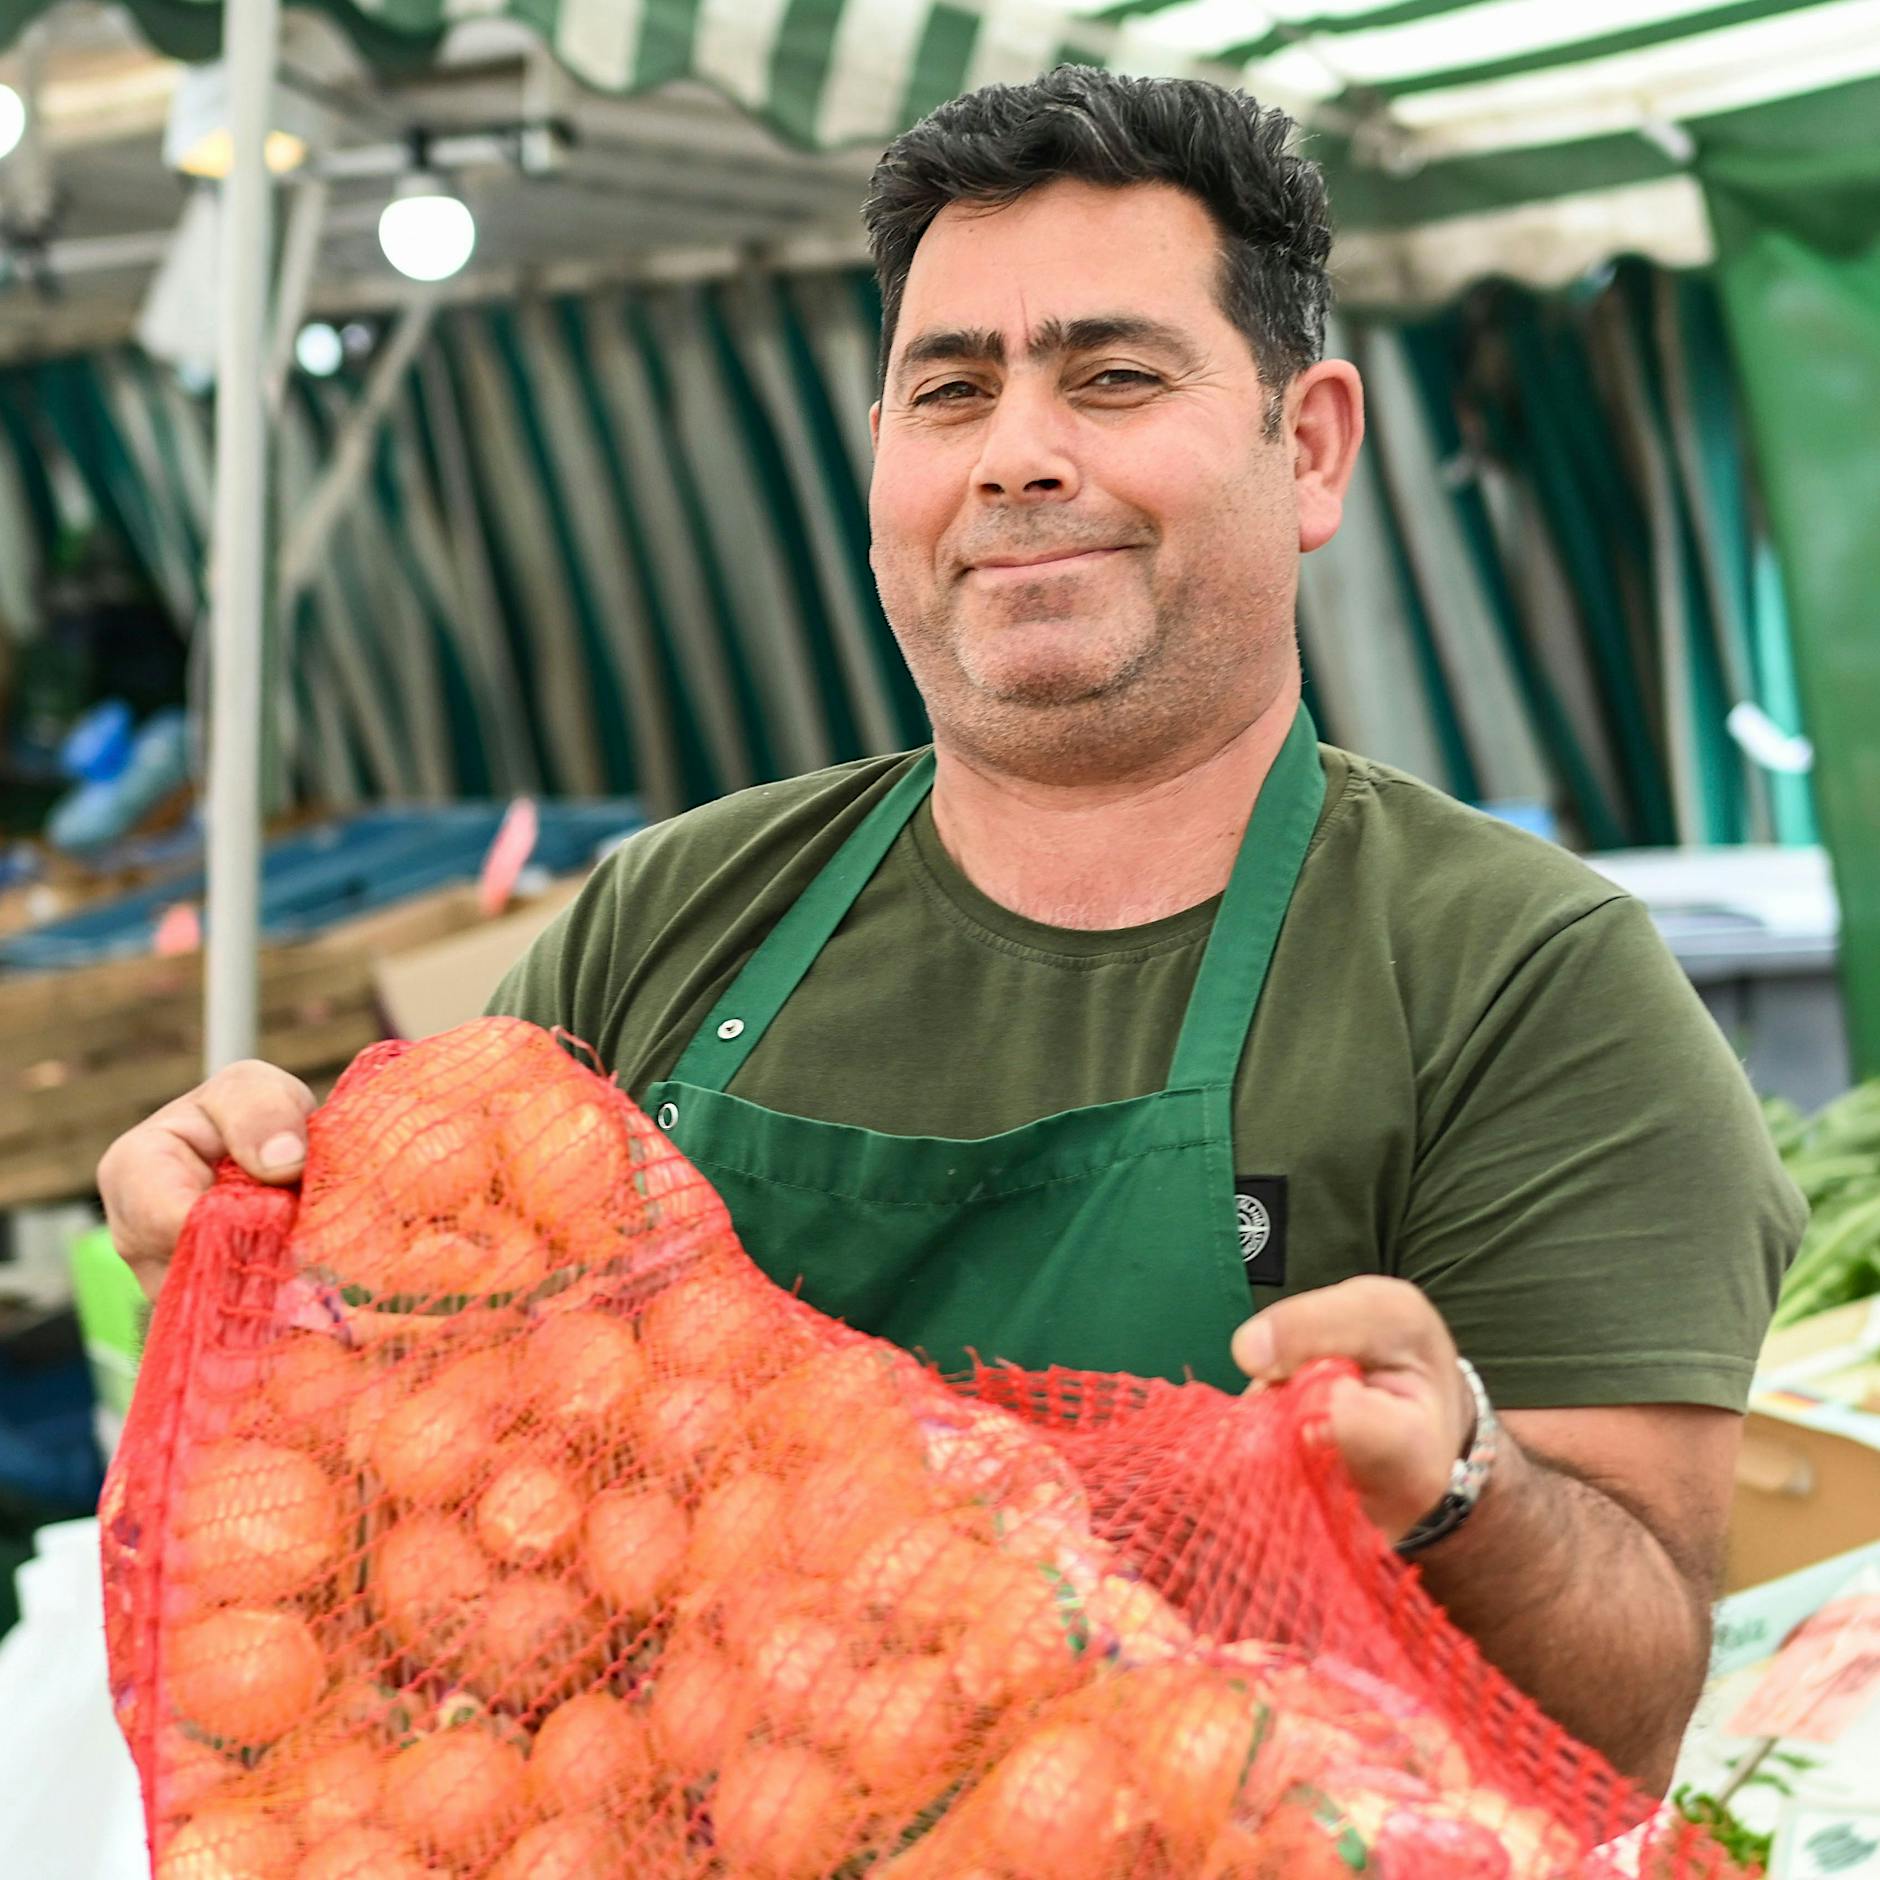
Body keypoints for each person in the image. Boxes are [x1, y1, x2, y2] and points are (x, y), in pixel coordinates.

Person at [99, 67, 1802, 1796]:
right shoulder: (670, 919)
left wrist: (1457, 1494)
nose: (1016, 456)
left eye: (1114, 376)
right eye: (949, 390)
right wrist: (272, 1293)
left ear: (1310, 447)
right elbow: (418, 1525)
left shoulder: (1521, 979)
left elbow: (1629, 1709)